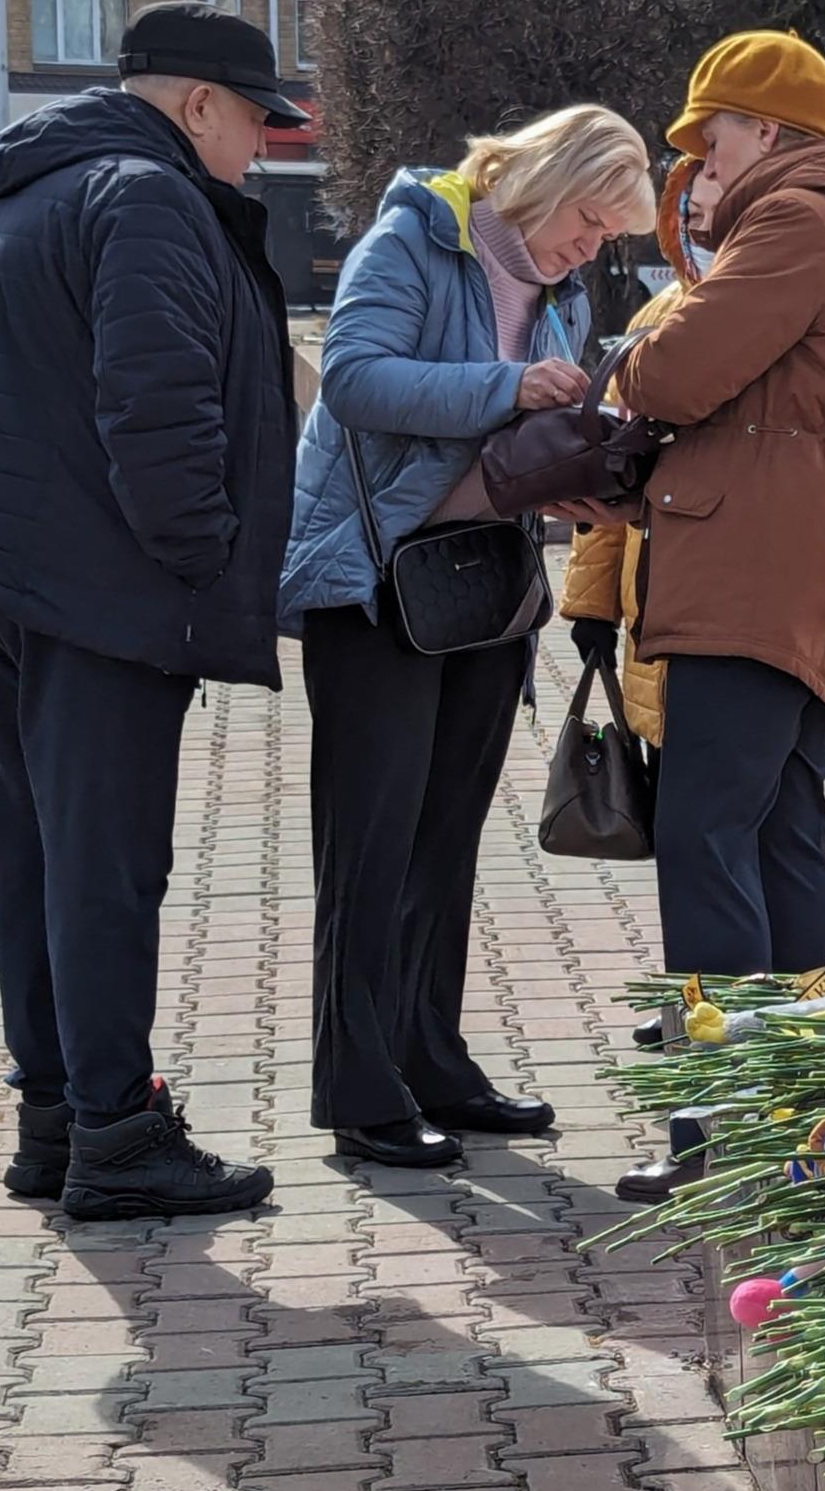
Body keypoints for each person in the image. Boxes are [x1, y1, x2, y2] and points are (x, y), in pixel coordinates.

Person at [0, 1, 306, 1220]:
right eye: (253, 123)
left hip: (3, 572)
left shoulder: (28, 188)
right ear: (197, 103)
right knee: (109, 871)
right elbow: (158, 404)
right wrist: (202, 559)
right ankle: (118, 1134)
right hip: (95, 589)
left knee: (45, 862)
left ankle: (55, 1120)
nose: (259, 148)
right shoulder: (147, 195)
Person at [278, 106, 653, 1172]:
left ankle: (431, 1058)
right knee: (368, 845)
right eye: (585, 220)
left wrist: (579, 472)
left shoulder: (562, 291)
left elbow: (513, 443)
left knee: (442, 841)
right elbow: (351, 377)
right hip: (376, 582)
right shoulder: (413, 236)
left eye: (604, 236)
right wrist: (506, 386)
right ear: (541, 183)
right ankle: (358, 1089)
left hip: (483, 589)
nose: (590, 248)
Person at [604, 32, 825, 1202]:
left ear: (774, 134)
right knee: (778, 829)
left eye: (713, 137)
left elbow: (668, 376)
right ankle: (809, 1107)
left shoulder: (793, 221)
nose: (694, 163)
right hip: (817, 542)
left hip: (757, 550)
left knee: (704, 838)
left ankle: (721, 1131)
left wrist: (646, 332)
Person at [559, 159, 723, 763]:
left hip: (722, 621)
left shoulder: (771, 320)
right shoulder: (655, 320)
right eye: (693, 217)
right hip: (648, 617)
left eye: (714, 216)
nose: (701, 234)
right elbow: (609, 468)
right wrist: (592, 606)